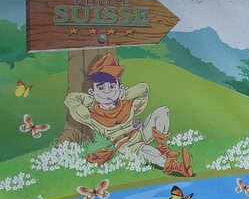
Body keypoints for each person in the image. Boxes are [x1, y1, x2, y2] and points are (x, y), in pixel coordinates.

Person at [63, 53, 195, 177]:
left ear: (119, 89)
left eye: (112, 87)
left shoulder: (126, 104)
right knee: (146, 151)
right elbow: (70, 100)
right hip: (127, 146)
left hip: (140, 133)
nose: (107, 92)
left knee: (163, 111)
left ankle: (163, 147)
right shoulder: (92, 115)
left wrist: (123, 95)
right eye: (101, 88)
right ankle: (178, 167)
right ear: (93, 91)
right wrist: (91, 101)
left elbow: (144, 88)